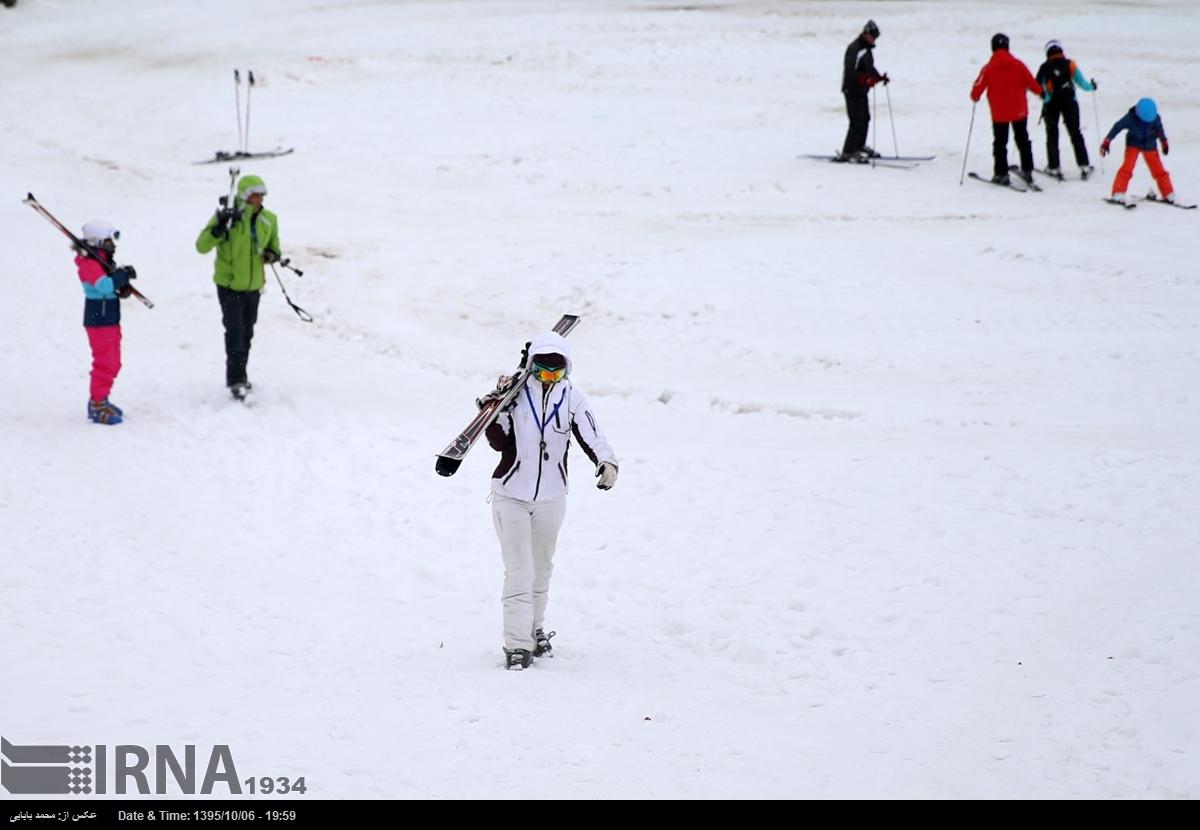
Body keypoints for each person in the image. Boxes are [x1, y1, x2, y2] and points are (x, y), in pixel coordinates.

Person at [482, 331, 619, 670]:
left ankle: (534, 630)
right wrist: (494, 408)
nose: (549, 379)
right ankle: (517, 645)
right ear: (531, 369)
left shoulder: (572, 398)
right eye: (542, 372)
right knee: (519, 570)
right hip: (510, 495)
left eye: (556, 374)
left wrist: (607, 462)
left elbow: (593, 435)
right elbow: (497, 442)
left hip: (552, 498)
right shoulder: (514, 396)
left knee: (541, 570)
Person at [195, 173, 281, 400]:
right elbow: (202, 246)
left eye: (262, 195)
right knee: (235, 332)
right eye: (255, 195)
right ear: (244, 196)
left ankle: (241, 373)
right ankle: (236, 379)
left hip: (253, 287)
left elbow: (275, 246)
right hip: (229, 285)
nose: (260, 199)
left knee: (247, 332)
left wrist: (273, 255)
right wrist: (218, 229)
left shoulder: (269, 219)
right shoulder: (228, 218)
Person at [76, 221, 136, 425]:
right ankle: (97, 403)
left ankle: (102, 398)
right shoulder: (88, 264)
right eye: (109, 241)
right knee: (105, 362)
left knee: (114, 362)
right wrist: (120, 277)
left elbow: (110, 287)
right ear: (98, 242)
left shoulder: (102, 261)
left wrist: (123, 286)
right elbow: (103, 286)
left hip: (109, 317)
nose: (113, 246)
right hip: (98, 319)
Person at [970, 33, 1044, 185]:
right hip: (1019, 110)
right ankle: (1028, 169)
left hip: (999, 113)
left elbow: (976, 90)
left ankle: (1001, 173)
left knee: (1000, 143)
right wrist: (1041, 92)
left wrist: (975, 96)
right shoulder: (1018, 65)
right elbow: (1032, 84)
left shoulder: (988, 68)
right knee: (1023, 140)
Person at [1036, 40, 1097, 178]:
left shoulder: (1045, 67)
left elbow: (1036, 86)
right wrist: (1092, 86)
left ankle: (1054, 167)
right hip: (1070, 102)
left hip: (1051, 104)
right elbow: (1083, 83)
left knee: (1052, 135)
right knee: (1076, 134)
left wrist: (1046, 98)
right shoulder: (1070, 64)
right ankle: (1084, 166)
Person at [1100, 97, 1174, 205]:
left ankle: (1168, 193)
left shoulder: (1155, 118)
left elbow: (1160, 130)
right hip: (1133, 145)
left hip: (1150, 145)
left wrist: (1164, 142)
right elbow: (1117, 127)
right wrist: (1107, 141)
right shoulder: (1130, 118)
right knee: (1127, 168)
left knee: (1159, 170)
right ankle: (1118, 193)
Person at [838, 19, 889, 163]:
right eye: (872, 35)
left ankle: (859, 146)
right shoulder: (854, 49)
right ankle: (848, 151)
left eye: (876, 36)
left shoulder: (866, 49)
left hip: (861, 91)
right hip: (852, 90)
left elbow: (869, 68)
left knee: (865, 118)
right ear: (865, 33)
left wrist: (879, 77)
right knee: (856, 121)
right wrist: (865, 80)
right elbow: (850, 72)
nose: (874, 39)